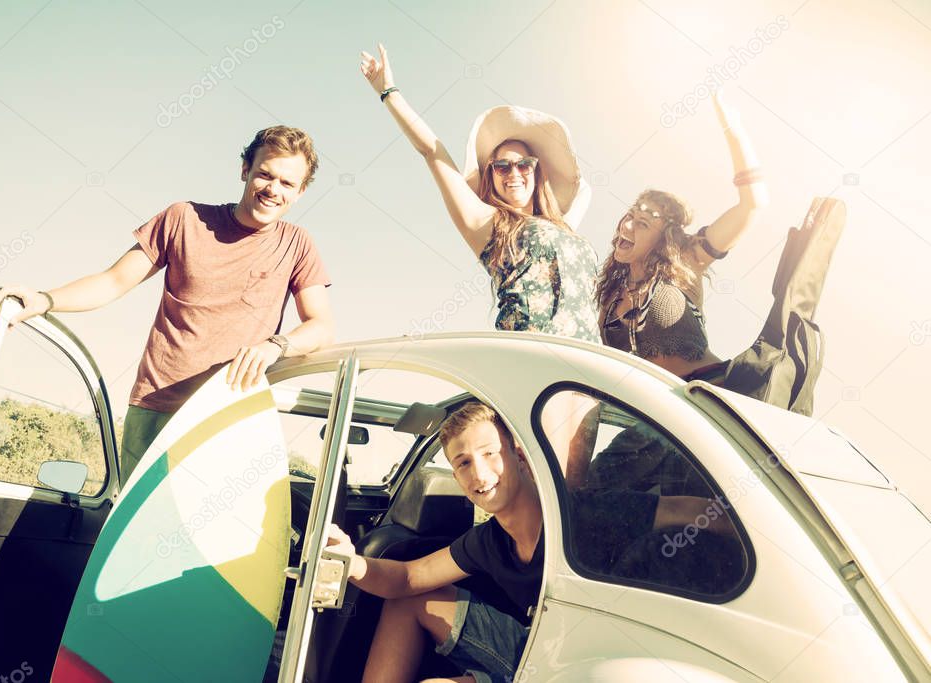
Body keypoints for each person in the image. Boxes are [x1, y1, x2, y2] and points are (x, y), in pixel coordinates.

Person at [0, 126, 335, 485]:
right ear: (245, 169)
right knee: (136, 535)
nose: (272, 190)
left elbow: (321, 326)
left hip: (228, 417)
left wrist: (274, 346)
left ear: (300, 192)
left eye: (286, 183)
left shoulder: (297, 244)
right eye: (265, 174)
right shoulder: (182, 218)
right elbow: (114, 281)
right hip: (155, 408)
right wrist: (45, 300)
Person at [325, 401, 732, 683]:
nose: (479, 473)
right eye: (462, 463)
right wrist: (351, 561)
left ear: (519, 456)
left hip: (588, 661)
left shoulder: (584, 514)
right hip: (530, 648)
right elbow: (410, 578)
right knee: (408, 603)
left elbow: (687, 509)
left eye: (489, 453)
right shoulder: (489, 540)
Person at [360, 44, 600, 342]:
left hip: (588, 362)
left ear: (538, 172)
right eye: (502, 166)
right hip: (532, 360)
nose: (514, 173)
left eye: (525, 164)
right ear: (491, 175)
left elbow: (585, 189)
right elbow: (432, 152)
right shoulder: (487, 223)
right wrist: (389, 93)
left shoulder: (564, 226)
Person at [596, 92, 769, 381]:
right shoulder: (610, 295)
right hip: (658, 412)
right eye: (629, 215)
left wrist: (733, 130)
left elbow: (753, 203)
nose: (626, 227)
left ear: (665, 238)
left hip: (713, 390)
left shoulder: (688, 259)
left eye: (642, 224)